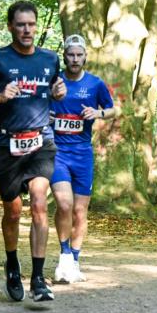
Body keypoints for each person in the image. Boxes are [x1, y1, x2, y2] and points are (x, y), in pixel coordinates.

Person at [0, 1, 66, 304]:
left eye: (31, 24)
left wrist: (59, 92)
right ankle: (12, 265)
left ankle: (38, 279)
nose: (27, 30)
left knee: (39, 202)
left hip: (41, 143)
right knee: (12, 212)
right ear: (10, 26)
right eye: (21, 24)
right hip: (7, 145)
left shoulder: (50, 59)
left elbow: (56, 90)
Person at [49, 34, 117, 283]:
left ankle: (74, 261)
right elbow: (38, 108)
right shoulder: (54, 84)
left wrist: (97, 112)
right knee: (64, 204)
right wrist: (47, 117)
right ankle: (64, 255)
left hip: (83, 154)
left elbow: (112, 109)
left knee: (79, 211)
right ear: (64, 56)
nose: (75, 59)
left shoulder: (95, 84)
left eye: (79, 55)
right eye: (70, 55)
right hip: (57, 153)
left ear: (85, 57)